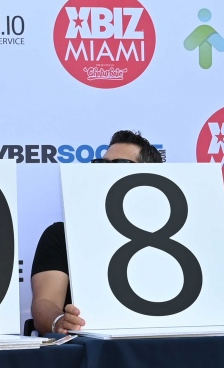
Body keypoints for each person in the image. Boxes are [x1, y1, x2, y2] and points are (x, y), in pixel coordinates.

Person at [32, 130, 163, 335]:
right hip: (91, 347)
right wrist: (58, 321)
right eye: (101, 164)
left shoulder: (174, 238)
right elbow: (45, 302)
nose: (104, 171)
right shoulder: (61, 235)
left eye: (119, 165)